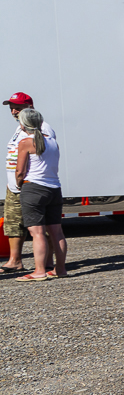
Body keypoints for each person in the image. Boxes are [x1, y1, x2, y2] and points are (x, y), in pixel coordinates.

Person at [4, 92, 56, 274]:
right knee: (13, 223)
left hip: (29, 183)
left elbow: (44, 154)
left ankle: (47, 263)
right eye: (11, 107)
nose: (13, 110)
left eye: (18, 107)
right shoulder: (20, 128)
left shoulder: (43, 128)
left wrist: (22, 178)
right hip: (15, 185)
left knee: (41, 226)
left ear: (30, 108)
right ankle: (14, 261)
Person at [13, 108, 66, 281]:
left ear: (23, 124)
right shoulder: (53, 142)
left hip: (33, 188)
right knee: (57, 232)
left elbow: (20, 171)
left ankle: (39, 271)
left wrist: (20, 185)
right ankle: (60, 269)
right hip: (54, 188)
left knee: (37, 233)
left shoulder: (25, 143)